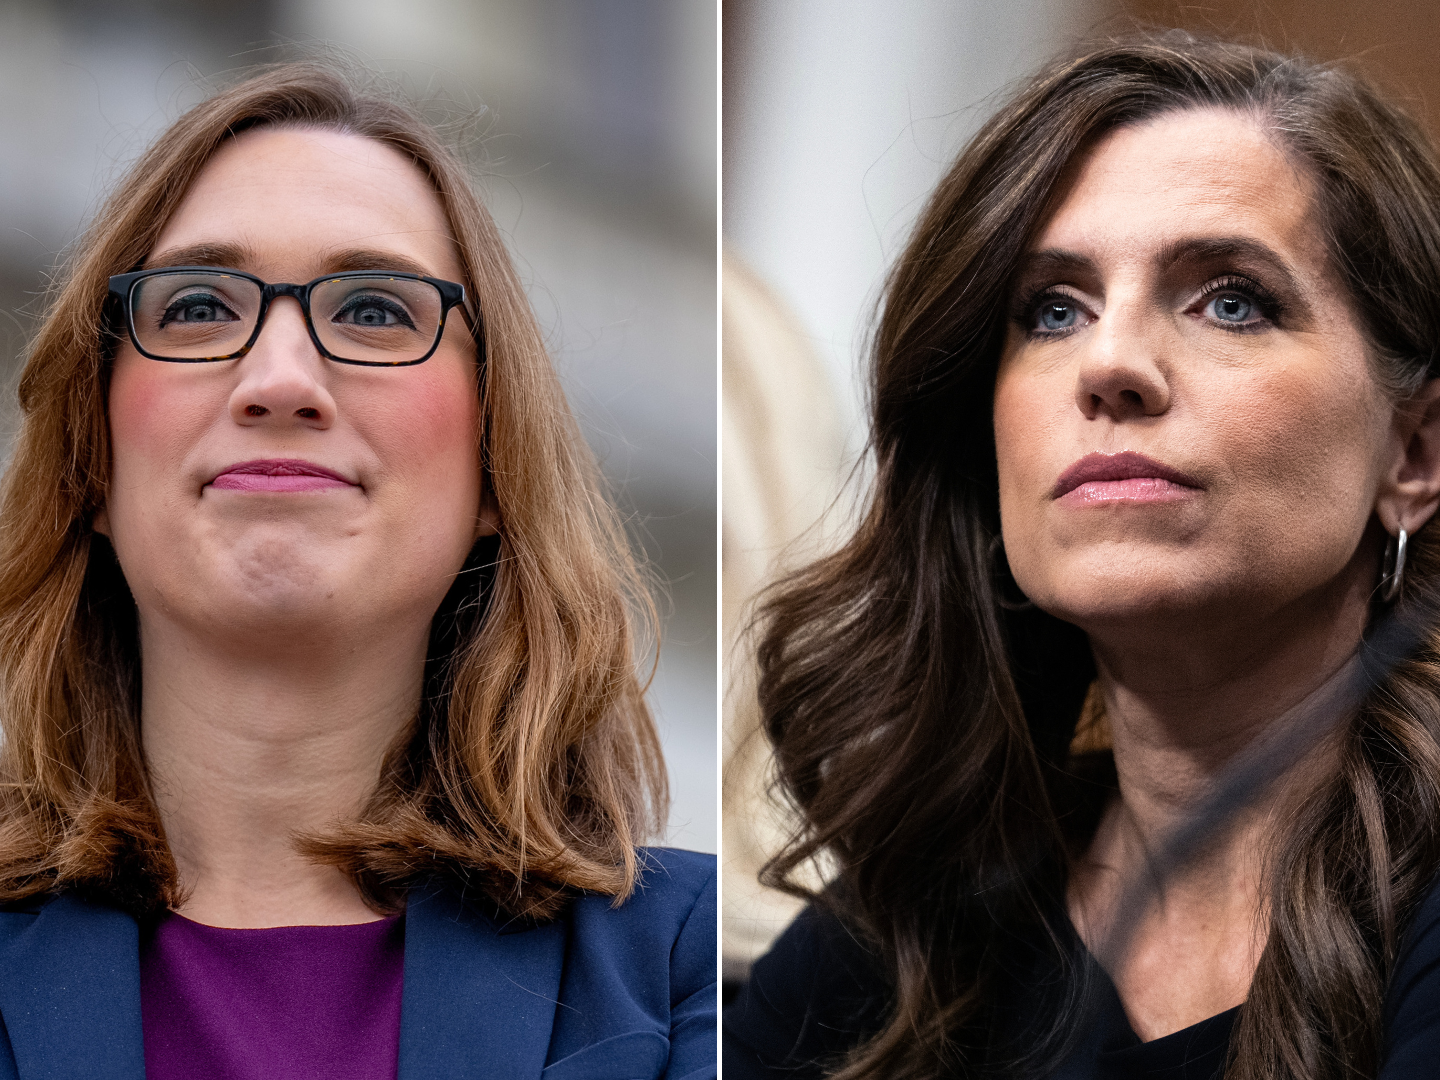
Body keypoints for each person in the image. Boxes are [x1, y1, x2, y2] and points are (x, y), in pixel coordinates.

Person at [724, 34, 1440, 1080]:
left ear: (1415, 452)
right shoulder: (892, 950)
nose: (1109, 365)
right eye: (1053, 311)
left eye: (1230, 298)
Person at [0, 63, 715, 1080]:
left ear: (494, 467)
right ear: (92, 461)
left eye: (375, 310)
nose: (280, 379)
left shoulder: (688, 974)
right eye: (199, 304)